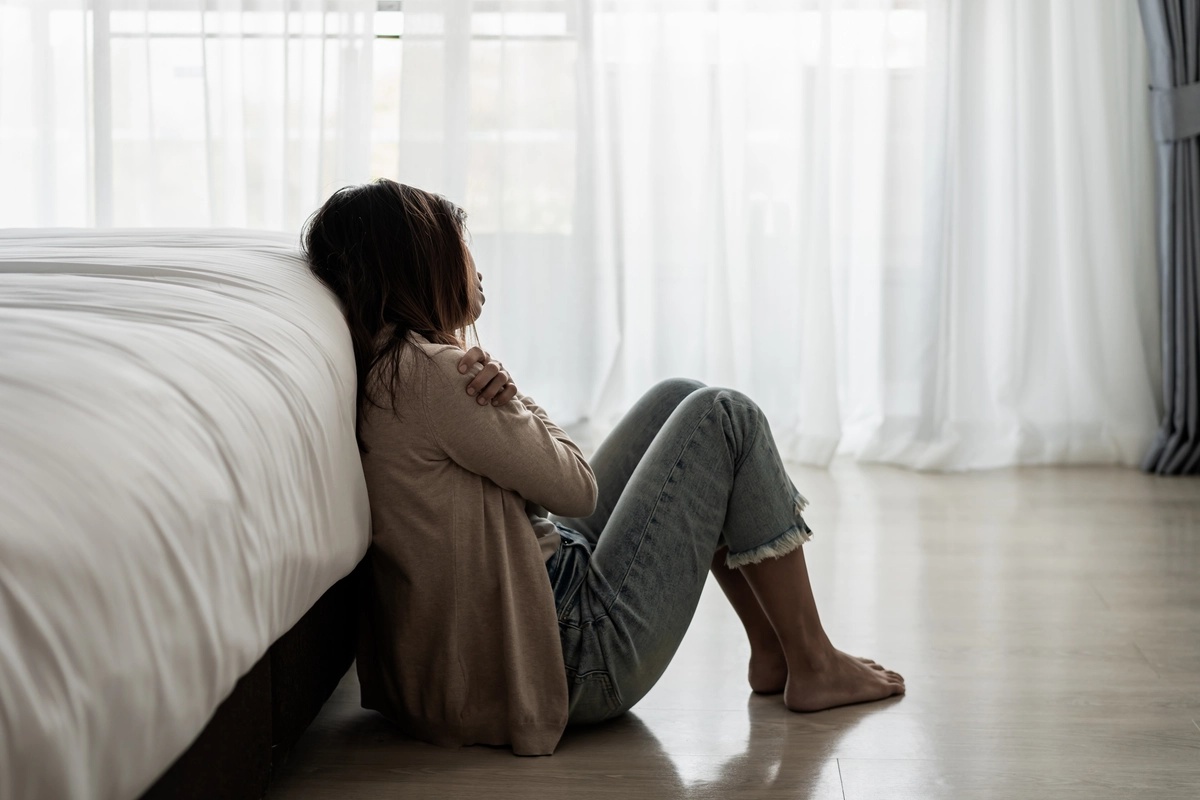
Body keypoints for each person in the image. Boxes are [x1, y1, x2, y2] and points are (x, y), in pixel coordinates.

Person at [301, 179, 904, 756]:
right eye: (462, 249)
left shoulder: (392, 368)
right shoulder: (437, 374)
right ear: (420, 265)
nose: (477, 268)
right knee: (725, 416)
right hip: (570, 651)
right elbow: (575, 487)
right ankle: (814, 660)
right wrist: (512, 394)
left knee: (680, 395)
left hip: (536, 590)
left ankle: (775, 650)